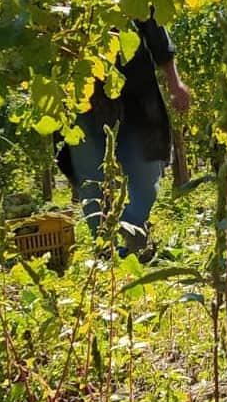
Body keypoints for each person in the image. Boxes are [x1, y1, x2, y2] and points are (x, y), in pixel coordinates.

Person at [60, 13, 191, 255]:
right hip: (80, 95)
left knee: (146, 172)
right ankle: (105, 252)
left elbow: (155, 29)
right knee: (91, 180)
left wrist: (175, 83)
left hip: (135, 92)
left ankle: (130, 231)